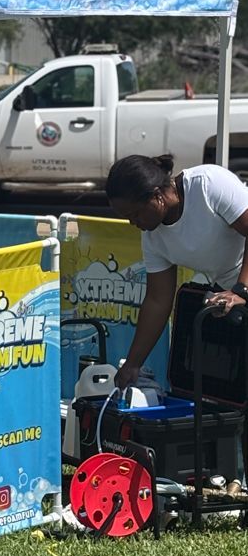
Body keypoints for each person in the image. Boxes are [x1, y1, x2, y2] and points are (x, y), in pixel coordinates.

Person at [106, 153, 248, 389]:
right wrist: (132, 364)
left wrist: (242, 289)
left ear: (157, 196)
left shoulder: (208, 184)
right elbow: (157, 301)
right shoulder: (152, 238)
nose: (133, 223)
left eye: (135, 214)